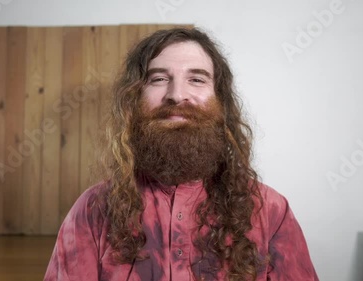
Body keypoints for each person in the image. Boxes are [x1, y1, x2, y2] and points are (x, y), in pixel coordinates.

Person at [44, 27, 319, 281]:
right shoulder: (92, 210)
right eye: (159, 78)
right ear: (134, 100)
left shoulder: (270, 211)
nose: (177, 95)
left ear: (220, 101)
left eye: (196, 79)